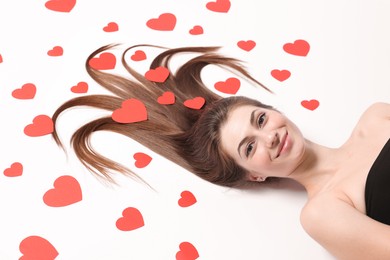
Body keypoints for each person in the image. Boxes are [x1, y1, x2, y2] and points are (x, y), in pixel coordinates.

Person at [52, 44, 390, 259]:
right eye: (249, 146)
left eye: (260, 119)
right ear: (254, 175)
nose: (268, 137)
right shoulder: (323, 212)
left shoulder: (375, 118)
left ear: (275, 111)